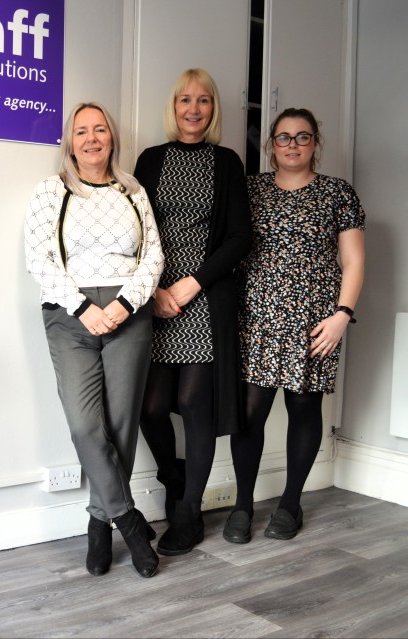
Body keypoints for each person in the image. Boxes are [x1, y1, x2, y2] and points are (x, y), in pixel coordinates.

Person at [25, 102, 165, 578]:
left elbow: (153, 257)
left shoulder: (133, 191)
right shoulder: (52, 190)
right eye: (81, 131)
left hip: (129, 315)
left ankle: (98, 523)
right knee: (86, 426)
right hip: (70, 316)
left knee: (121, 427)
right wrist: (84, 308)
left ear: (112, 137)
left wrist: (124, 305)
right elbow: (39, 259)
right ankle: (129, 521)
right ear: (70, 141)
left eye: (100, 129)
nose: (91, 139)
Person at [224, 108, 365, 543]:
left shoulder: (337, 192)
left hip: (315, 320)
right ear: (271, 144)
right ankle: (242, 505)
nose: (292, 145)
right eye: (283, 137)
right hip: (257, 317)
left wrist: (342, 316)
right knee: (249, 413)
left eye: (302, 137)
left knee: (304, 407)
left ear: (315, 143)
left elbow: (353, 260)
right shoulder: (249, 189)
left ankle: (290, 504)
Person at [134, 68, 252, 556]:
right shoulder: (151, 159)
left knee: (195, 405)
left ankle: (188, 513)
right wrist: (156, 289)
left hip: (204, 299)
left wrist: (193, 283)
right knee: (150, 406)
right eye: (185, 99)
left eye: (203, 101)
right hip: (156, 297)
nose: (194, 109)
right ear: (174, 106)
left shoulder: (226, 162)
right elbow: (136, 231)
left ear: (213, 109)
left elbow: (240, 237)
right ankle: (173, 477)